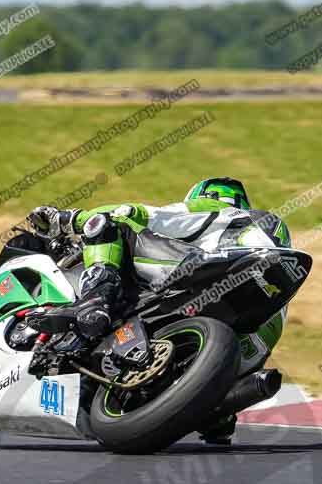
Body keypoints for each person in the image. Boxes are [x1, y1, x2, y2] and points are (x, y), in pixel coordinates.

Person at [29, 177, 291, 444]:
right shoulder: (275, 249)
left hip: (201, 276)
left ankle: (96, 299)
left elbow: (144, 214)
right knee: (221, 409)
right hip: (248, 341)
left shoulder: (216, 209)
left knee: (111, 224)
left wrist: (69, 219)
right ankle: (217, 416)